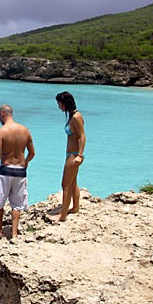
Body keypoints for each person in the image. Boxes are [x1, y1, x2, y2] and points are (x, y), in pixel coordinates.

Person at [0, 104, 35, 240]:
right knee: (17, 204)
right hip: (20, 172)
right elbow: (32, 153)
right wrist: (25, 163)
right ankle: (14, 234)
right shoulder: (25, 130)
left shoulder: (0, 132)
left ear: (2, 114)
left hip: (5, 170)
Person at [50, 91, 86, 222]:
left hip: (74, 155)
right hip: (70, 154)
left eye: (59, 103)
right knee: (73, 182)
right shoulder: (72, 116)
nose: (59, 106)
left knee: (65, 184)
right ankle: (75, 207)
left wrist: (80, 155)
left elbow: (82, 136)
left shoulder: (76, 117)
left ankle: (63, 215)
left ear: (65, 103)